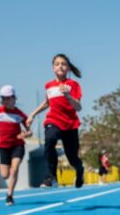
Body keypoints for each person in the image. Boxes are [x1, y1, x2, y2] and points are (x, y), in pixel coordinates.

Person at [28, 54, 85, 188]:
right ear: (53, 68)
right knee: (50, 139)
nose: (60, 66)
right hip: (53, 120)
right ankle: (51, 176)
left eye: (64, 64)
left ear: (68, 68)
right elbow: (47, 103)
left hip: (70, 125)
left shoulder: (73, 85)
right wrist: (32, 114)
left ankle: (80, 169)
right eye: (57, 64)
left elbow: (79, 107)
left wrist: (68, 96)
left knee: (72, 158)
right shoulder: (49, 85)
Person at [0, 85, 31, 206]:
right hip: (4, 146)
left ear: (13, 98)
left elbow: (29, 131)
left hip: (17, 145)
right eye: (2, 98)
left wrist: (25, 135)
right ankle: (9, 190)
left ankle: (9, 195)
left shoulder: (19, 114)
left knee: (15, 168)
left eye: (7, 98)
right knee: (4, 175)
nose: (4, 101)